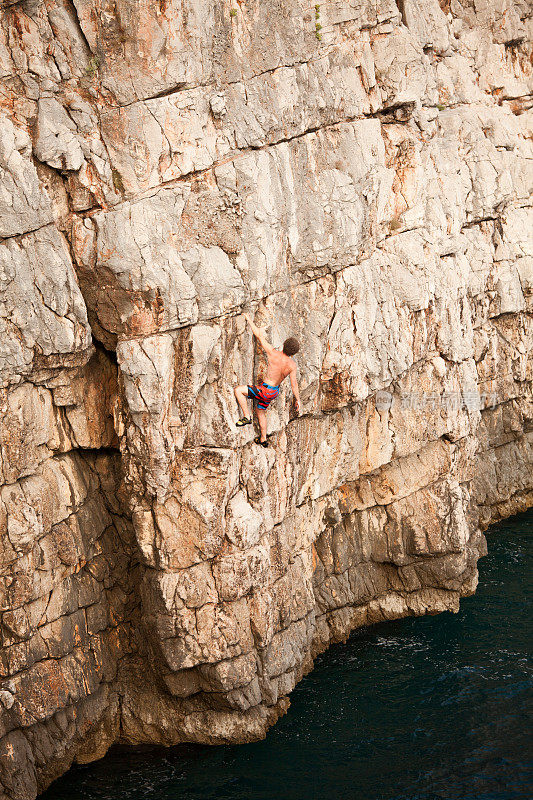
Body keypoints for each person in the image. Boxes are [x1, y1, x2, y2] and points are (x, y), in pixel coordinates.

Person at [234, 313, 301, 447]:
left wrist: (249, 319)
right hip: (273, 392)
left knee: (238, 390)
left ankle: (246, 416)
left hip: (264, 390)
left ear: (283, 345)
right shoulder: (292, 365)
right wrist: (298, 399)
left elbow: (258, 335)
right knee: (260, 411)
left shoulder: (273, 353)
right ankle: (263, 439)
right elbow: (294, 385)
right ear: (293, 353)